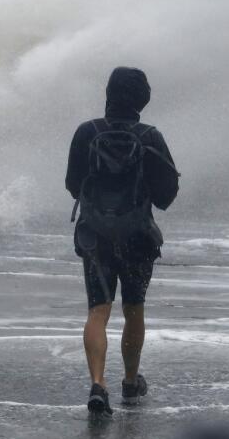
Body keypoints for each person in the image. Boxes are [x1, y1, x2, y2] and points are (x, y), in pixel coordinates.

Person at [65, 67, 179, 414]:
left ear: (108, 94)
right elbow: (166, 195)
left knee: (98, 311)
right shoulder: (150, 136)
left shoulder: (88, 132)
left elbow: (73, 183)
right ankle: (130, 382)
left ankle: (98, 384)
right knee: (134, 309)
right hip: (138, 237)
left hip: (94, 235)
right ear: (142, 99)